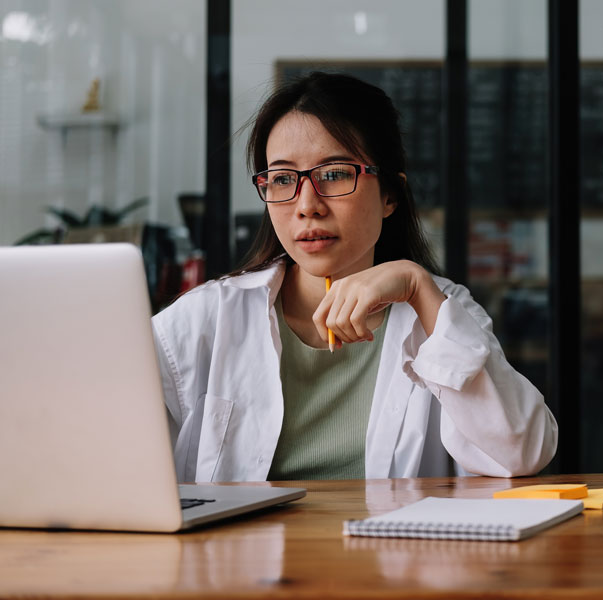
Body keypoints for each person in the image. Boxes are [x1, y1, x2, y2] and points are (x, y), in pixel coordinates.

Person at [151, 72, 557, 482]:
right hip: (245, 549)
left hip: (392, 546)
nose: (307, 205)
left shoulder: (441, 310)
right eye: (282, 179)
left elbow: (522, 454)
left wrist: (417, 286)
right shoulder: (207, 317)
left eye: (334, 174)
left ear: (390, 195)